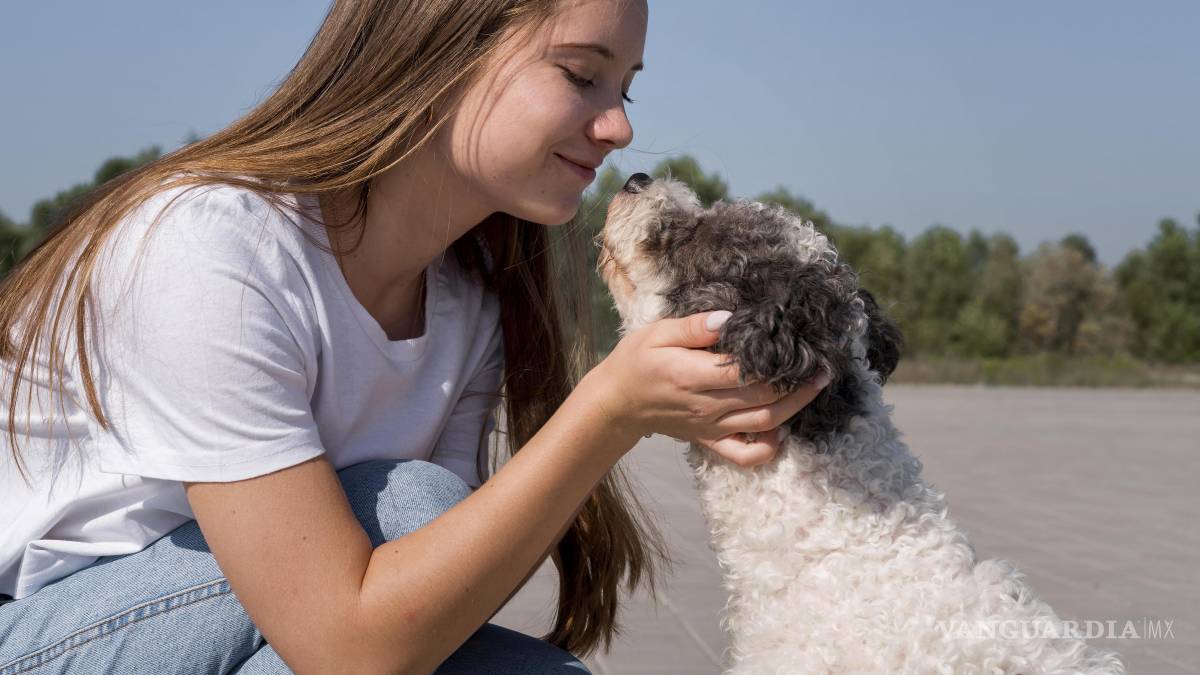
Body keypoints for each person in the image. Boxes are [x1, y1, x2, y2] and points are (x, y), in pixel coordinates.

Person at [0, 0, 827, 672]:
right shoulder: (213, 245)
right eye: (581, 75)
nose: (616, 128)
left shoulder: (468, 299)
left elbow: (420, 618)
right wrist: (609, 410)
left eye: (626, 90)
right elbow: (352, 644)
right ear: (442, 50)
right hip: (44, 634)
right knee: (414, 510)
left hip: (291, 641)